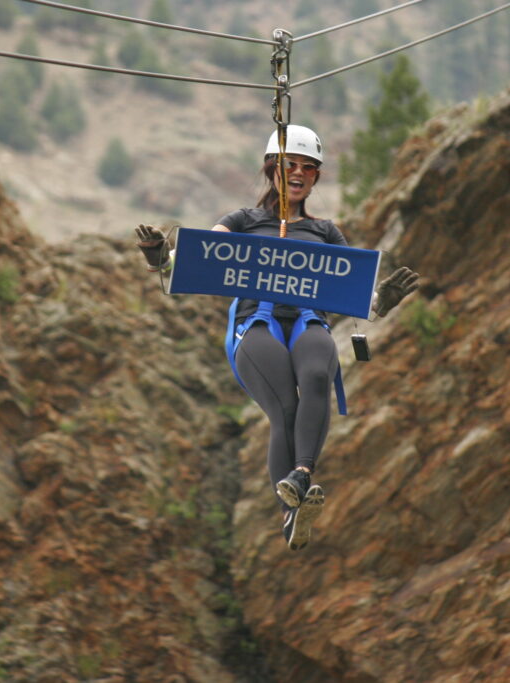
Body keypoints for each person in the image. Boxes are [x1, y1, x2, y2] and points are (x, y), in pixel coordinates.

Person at [135, 125, 419, 551]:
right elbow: (194, 260)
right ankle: (289, 512)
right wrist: (160, 257)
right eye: (291, 165)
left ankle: (301, 476)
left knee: (318, 376)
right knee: (285, 406)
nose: (300, 174)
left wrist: (382, 300)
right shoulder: (242, 222)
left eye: (309, 168)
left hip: (309, 321)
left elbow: (350, 290)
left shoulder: (326, 232)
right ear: (273, 169)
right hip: (257, 323)